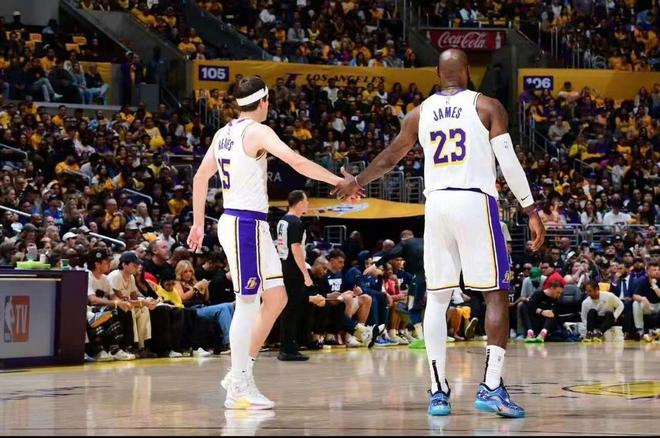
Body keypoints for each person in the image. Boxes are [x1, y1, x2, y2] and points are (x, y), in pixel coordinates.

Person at [333, 49, 545, 418]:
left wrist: (358, 181)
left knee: (437, 296)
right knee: (496, 294)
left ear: (437, 73)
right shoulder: (487, 106)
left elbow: (390, 157)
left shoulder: (419, 113)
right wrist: (530, 210)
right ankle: (491, 386)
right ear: (467, 71)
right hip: (474, 202)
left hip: (437, 206)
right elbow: (508, 162)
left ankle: (438, 391)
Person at [186, 76, 351, 410]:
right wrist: (339, 181)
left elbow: (201, 176)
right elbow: (297, 162)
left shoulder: (223, 133)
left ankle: (239, 372)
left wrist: (199, 223)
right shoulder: (257, 131)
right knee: (247, 303)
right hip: (244, 224)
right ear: (263, 102)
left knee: (276, 298)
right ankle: (239, 383)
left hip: (250, 224)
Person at [276, 190, 312, 361]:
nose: (308, 204)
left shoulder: (283, 220)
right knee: (293, 308)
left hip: (283, 265)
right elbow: (295, 248)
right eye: (306, 201)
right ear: (299, 203)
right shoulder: (296, 222)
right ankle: (288, 349)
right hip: (293, 267)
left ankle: (288, 345)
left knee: (288, 308)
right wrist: (305, 274)